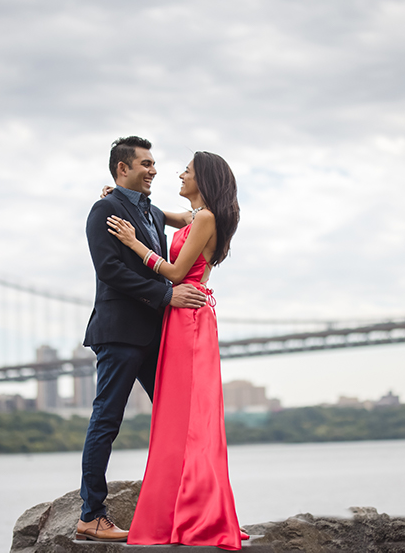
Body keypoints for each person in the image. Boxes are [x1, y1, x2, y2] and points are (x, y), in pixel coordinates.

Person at [106, 151, 244, 550]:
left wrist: (133, 243)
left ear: (203, 179)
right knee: (180, 417)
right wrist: (119, 196)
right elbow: (158, 214)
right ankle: (181, 510)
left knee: (187, 419)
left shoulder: (204, 219)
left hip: (188, 317)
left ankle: (191, 514)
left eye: (187, 170)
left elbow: (174, 273)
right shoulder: (197, 216)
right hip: (183, 317)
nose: (179, 174)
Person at [77, 136, 208, 542]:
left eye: (154, 164)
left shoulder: (149, 211)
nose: (154, 170)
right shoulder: (105, 209)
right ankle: (91, 515)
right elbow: (110, 270)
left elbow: (200, 217)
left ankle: (194, 511)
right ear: (123, 169)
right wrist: (167, 295)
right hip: (119, 333)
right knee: (107, 420)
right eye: (146, 164)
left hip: (154, 334)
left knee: (180, 418)